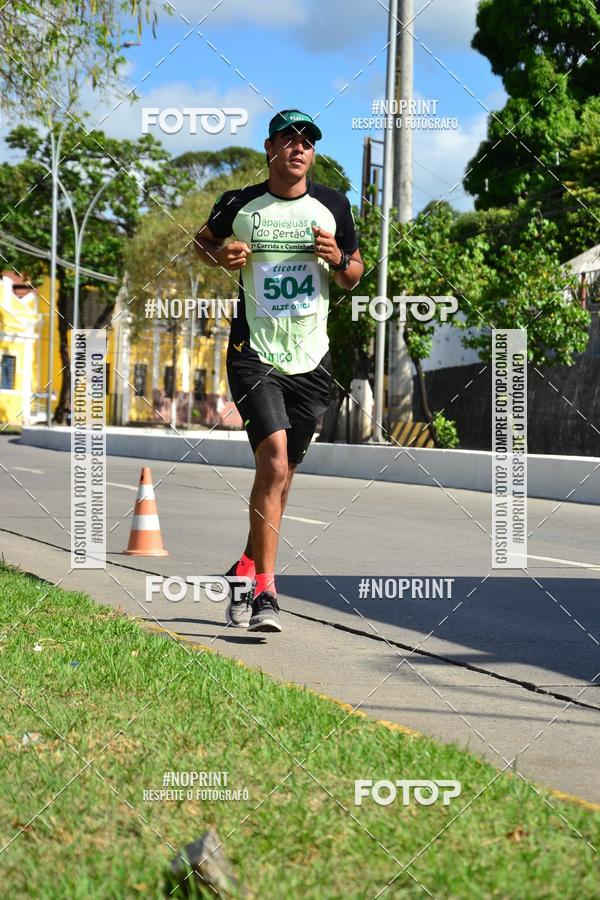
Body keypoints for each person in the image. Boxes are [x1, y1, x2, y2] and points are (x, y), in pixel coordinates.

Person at [194, 109, 364, 633]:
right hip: (255, 351)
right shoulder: (240, 204)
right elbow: (202, 244)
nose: (299, 148)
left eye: (308, 141)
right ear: (270, 148)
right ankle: (266, 594)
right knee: (272, 462)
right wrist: (221, 255)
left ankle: (244, 570)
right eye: (289, 140)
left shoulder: (334, 205)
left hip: (312, 360)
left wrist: (339, 259)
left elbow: (354, 276)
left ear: (313, 153)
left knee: (284, 474)